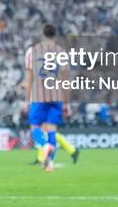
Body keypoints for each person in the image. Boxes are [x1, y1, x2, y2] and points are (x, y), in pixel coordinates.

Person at [24, 24, 79, 171]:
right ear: (55, 36)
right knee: (51, 129)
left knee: (35, 128)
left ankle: (44, 146)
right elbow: (65, 80)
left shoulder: (32, 51)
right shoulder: (61, 53)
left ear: (42, 34)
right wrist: (67, 104)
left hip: (39, 95)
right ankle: (50, 163)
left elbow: (29, 78)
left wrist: (27, 100)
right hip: (56, 95)